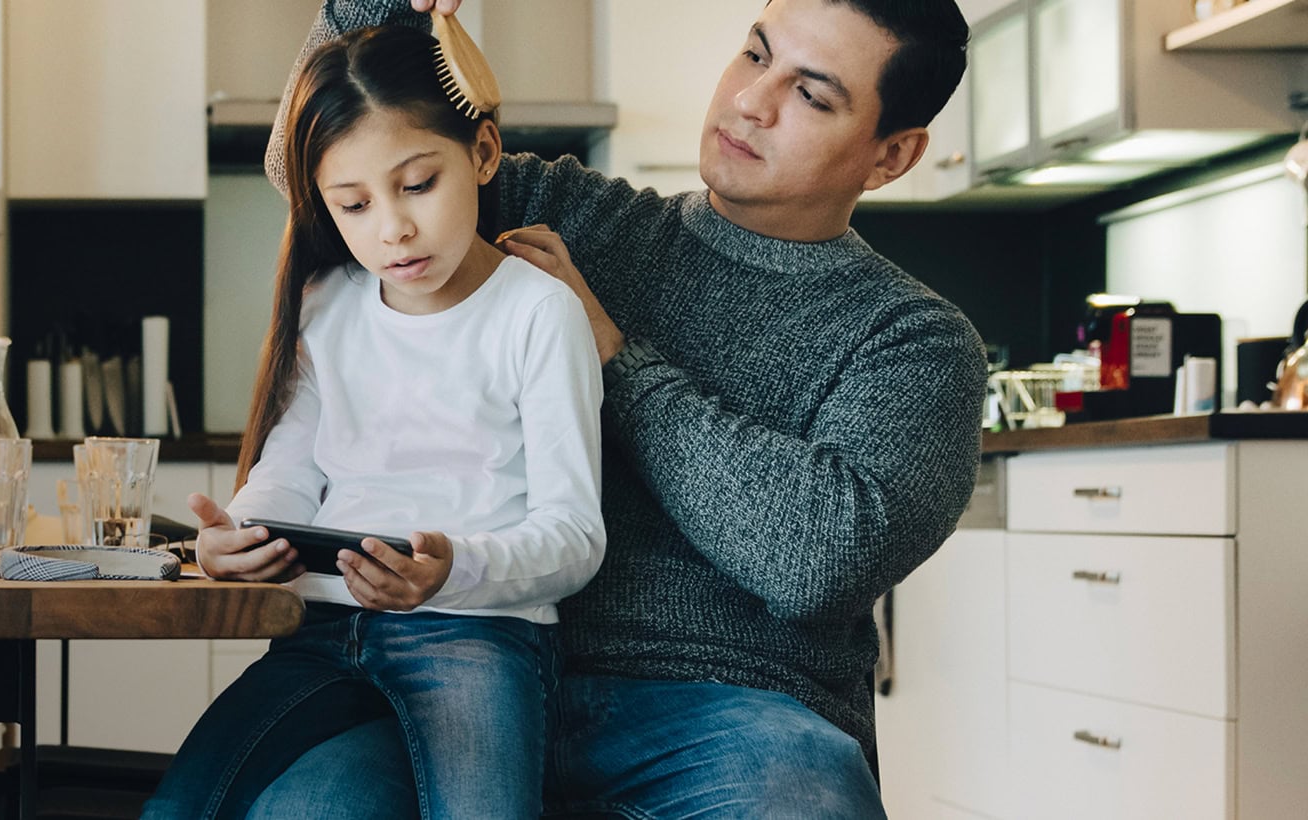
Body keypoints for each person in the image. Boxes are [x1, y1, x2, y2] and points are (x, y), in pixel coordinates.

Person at [157, 0, 992, 816]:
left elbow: (815, 561)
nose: (751, 101)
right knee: (311, 803)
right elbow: (320, 163)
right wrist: (383, 3)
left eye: (811, 94)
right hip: (460, 652)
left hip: (719, 713)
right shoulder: (573, 211)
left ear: (893, 155)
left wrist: (614, 356)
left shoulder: (914, 339)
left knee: (801, 795)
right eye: (755, 53)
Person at [142, 23, 606, 819]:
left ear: (483, 155)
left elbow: (575, 537)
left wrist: (449, 566)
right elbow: (290, 470)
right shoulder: (329, 305)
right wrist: (240, 533)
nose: (390, 229)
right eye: (352, 205)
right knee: (182, 807)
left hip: (476, 634)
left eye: (418, 184)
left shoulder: (538, 311)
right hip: (323, 622)